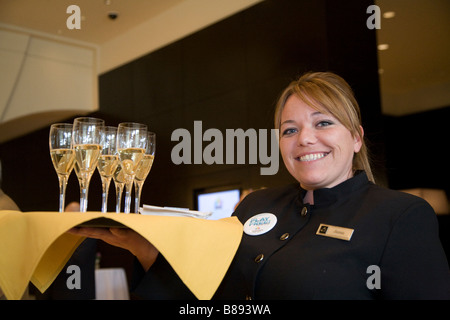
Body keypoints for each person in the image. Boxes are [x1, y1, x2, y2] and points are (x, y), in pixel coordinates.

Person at [70, 72, 450, 299]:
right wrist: (145, 249)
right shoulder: (256, 205)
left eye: (323, 123)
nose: (304, 139)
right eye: (290, 130)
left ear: (356, 138)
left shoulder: (400, 216)